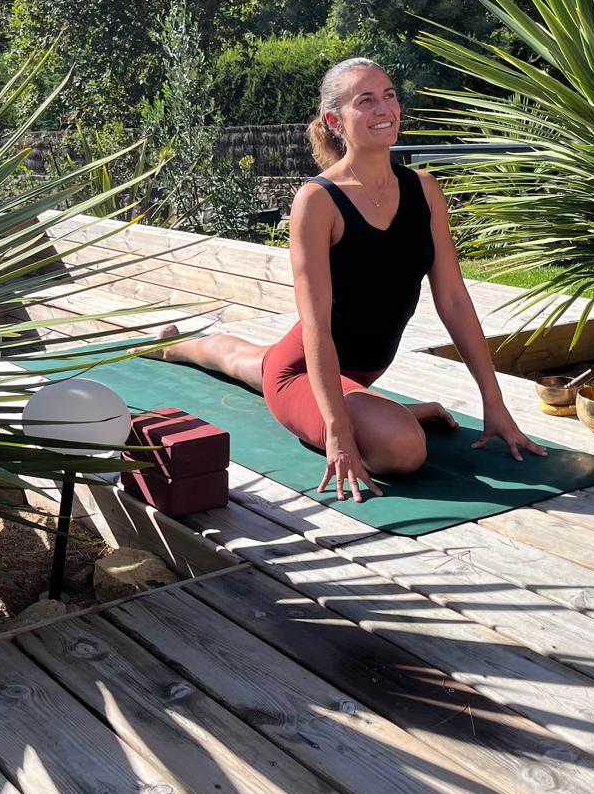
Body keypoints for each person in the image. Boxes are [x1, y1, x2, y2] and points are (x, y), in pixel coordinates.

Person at [160, 56, 544, 502]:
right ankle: (172, 346)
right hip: (303, 367)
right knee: (399, 447)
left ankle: (180, 343)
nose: (384, 109)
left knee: (248, 361)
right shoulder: (318, 201)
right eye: (366, 101)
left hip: (357, 371)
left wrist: (493, 403)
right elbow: (317, 327)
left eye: (389, 96)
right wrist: (338, 432)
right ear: (334, 120)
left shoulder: (424, 189)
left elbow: (454, 300)